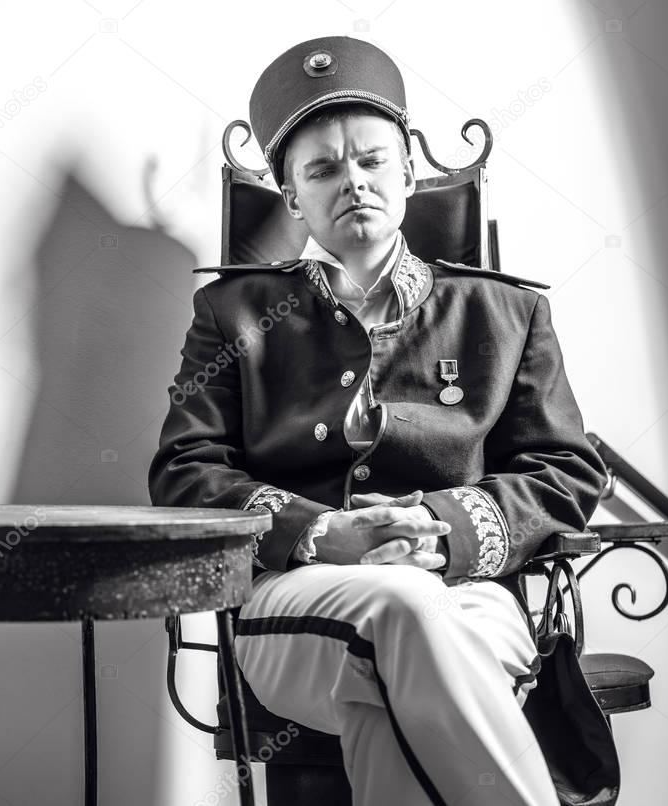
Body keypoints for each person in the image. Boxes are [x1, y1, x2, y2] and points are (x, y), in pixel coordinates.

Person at [148, 36, 620, 806]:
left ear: (407, 171)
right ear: (292, 199)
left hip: (470, 593)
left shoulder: (505, 312)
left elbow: (564, 468)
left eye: (370, 160)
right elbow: (184, 471)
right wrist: (316, 531)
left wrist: (444, 531)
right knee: (400, 610)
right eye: (323, 169)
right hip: (297, 599)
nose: (353, 182)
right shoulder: (231, 313)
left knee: (396, 677)